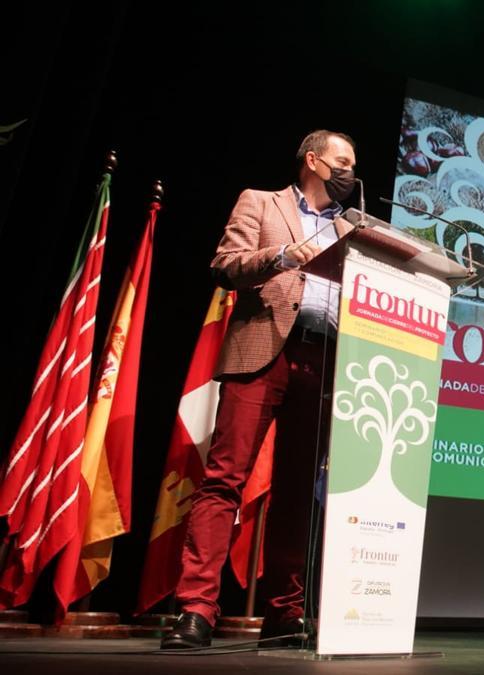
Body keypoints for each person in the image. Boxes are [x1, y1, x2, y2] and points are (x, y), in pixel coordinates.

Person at [161, 130, 358, 649]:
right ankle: (197, 609)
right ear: (312, 161)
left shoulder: (350, 229)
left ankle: (284, 613)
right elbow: (225, 264)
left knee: (298, 492)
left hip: (323, 360)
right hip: (261, 350)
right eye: (342, 162)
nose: (349, 173)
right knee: (226, 478)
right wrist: (284, 256)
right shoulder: (260, 202)